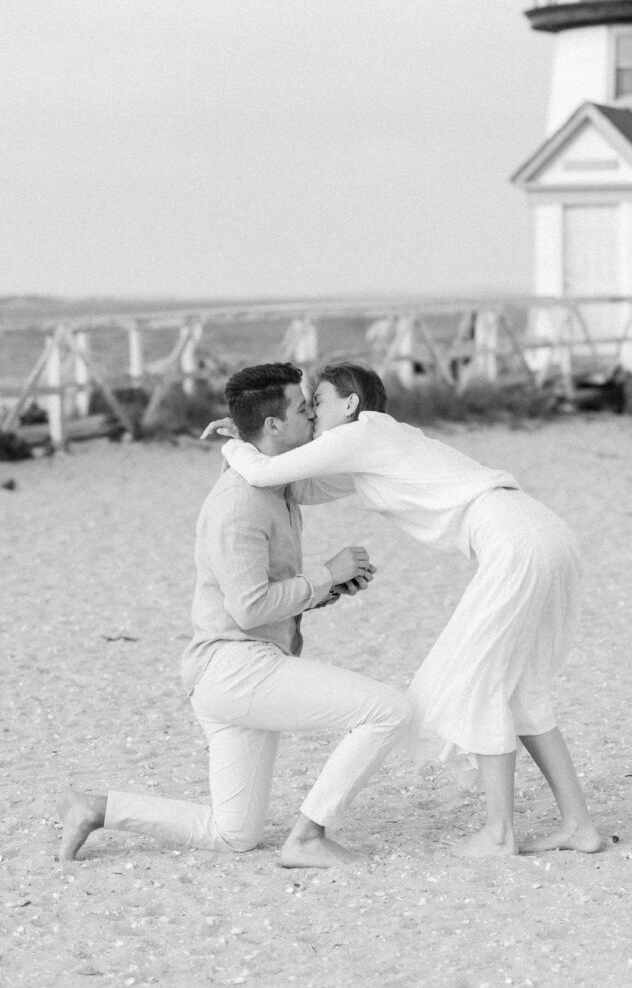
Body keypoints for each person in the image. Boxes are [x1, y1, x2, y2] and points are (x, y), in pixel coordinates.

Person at [208, 361, 602, 858]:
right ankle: (578, 827)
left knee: (478, 683)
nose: (311, 415)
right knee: (519, 692)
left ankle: (500, 835)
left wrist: (234, 442)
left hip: (514, 541)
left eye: (319, 403)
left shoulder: (360, 434)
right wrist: (245, 439)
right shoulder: (377, 444)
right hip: (540, 532)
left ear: (350, 405)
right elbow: (298, 486)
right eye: (305, 407)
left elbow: (265, 471)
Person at [58, 363, 411, 869]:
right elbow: (248, 609)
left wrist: (330, 590)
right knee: (387, 710)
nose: (313, 417)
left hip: (240, 671)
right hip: (235, 667)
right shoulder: (239, 504)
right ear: (273, 426)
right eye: (304, 409)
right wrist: (323, 577)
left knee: (234, 834)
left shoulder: (280, 481)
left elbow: (342, 481)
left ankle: (94, 808)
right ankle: (308, 838)